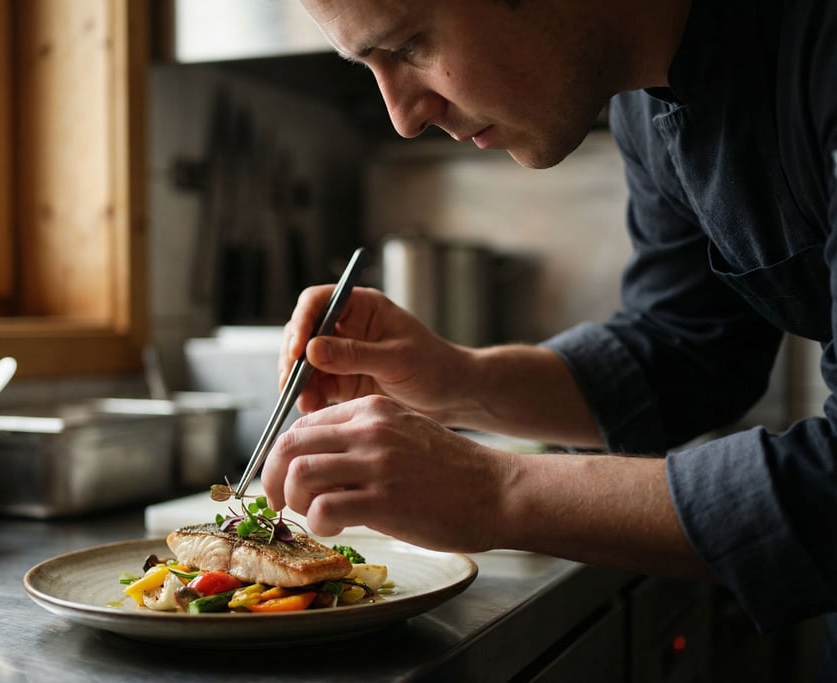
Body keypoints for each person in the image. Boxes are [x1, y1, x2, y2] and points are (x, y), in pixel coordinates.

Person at [259, 0, 837, 676]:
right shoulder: (642, 104)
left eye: (409, 45)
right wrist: (455, 382)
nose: (403, 117)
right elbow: (688, 351)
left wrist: (493, 492)